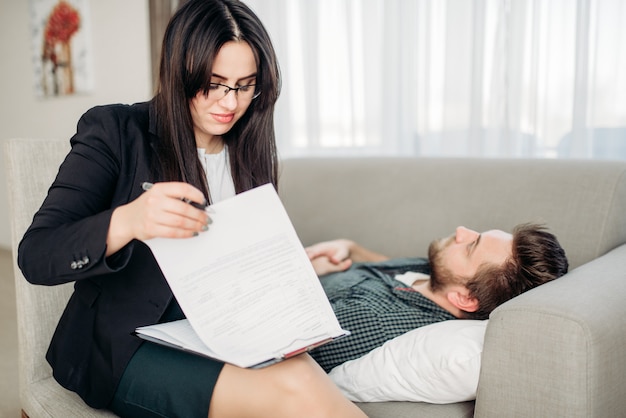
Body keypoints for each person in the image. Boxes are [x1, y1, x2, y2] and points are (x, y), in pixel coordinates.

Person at [17, 1, 366, 417]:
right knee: (294, 388)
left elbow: (228, 261)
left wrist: (289, 264)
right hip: (127, 345)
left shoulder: (248, 150)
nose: (229, 103)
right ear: (179, 70)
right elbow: (36, 255)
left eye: (244, 85)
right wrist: (128, 220)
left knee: (304, 373)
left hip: (220, 329)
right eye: (213, 83)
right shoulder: (116, 131)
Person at [304, 223, 569, 372]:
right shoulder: (439, 277)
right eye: (477, 234)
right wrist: (351, 248)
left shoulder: (373, 319)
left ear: (464, 299)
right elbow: (390, 271)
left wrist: (305, 275)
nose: (461, 230)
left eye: (470, 245)